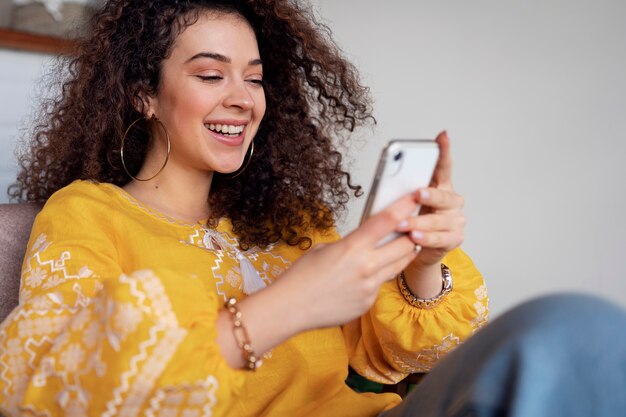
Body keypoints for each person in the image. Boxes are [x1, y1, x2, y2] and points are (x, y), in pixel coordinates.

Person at [1, 1, 624, 416]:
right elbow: (63, 385)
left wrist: (424, 263)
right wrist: (291, 303)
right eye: (211, 75)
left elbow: (394, 360)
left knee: (573, 333)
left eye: (255, 77)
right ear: (144, 95)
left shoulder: (291, 220)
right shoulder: (87, 214)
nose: (244, 99)